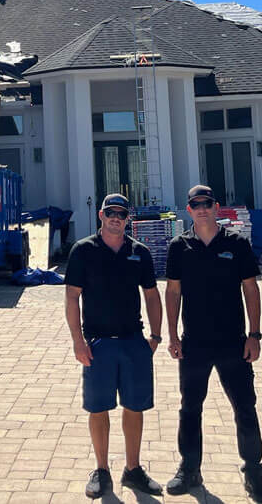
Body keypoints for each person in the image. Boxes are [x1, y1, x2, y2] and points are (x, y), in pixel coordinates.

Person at [164, 185, 262, 502]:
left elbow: (251, 289)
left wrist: (254, 335)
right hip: (194, 343)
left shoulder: (236, 244)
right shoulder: (179, 246)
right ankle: (190, 468)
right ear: (189, 210)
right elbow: (173, 293)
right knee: (190, 409)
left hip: (233, 343)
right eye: (195, 204)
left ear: (216, 207)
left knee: (245, 408)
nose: (201, 209)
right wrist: (172, 335)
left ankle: (254, 473)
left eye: (206, 204)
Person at [65, 193, 164, 499]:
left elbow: (151, 295)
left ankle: (133, 470)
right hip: (98, 344)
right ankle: (102, 470)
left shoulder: (140, 252)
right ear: (101, 215)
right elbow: (71, 297)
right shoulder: (83, 251)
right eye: (111, 212)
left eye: (121, 214)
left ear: (127, 218)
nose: (116, 218)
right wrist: (78, 342)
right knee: (99, 409)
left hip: (134, 342)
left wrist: (156, 337)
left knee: (134, 407)